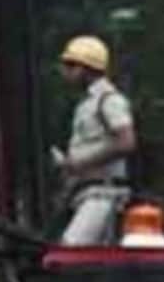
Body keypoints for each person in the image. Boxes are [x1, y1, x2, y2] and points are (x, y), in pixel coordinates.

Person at [50, 37, 137, 248]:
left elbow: (126, 142)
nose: (66, 72)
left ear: (89, 68)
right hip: (87, 193)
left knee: (70, 252)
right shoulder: (87, 103)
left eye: (72, 65)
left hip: (102, 194)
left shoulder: (108, 100)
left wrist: (79, 163)